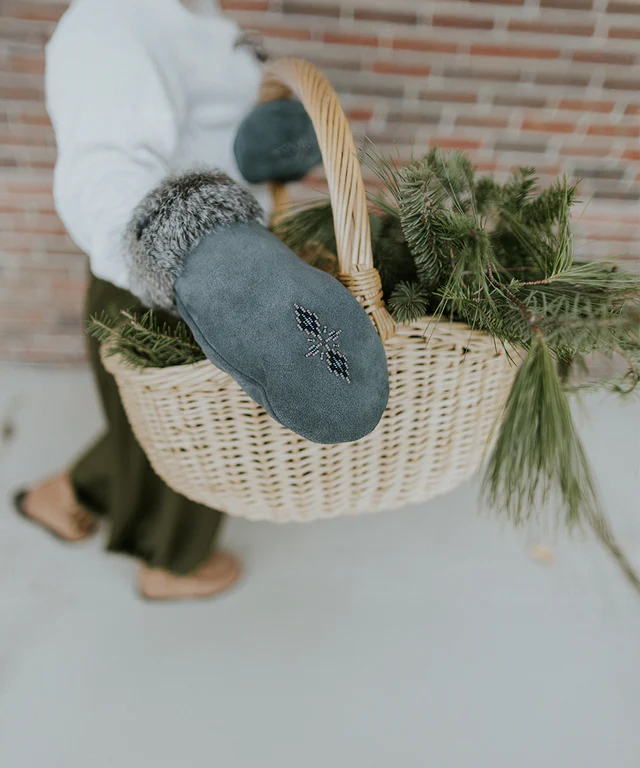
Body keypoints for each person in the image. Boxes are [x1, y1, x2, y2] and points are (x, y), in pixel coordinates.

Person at [15, 0, 272, 601]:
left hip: (221, 252)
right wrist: (197, 277)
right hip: (166, 276)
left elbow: (207, 129)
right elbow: (108, 170)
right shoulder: (112, 20)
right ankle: (169, 565)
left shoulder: (195, 16)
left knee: (169, 424)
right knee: (194, 433)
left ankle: (64, 495)